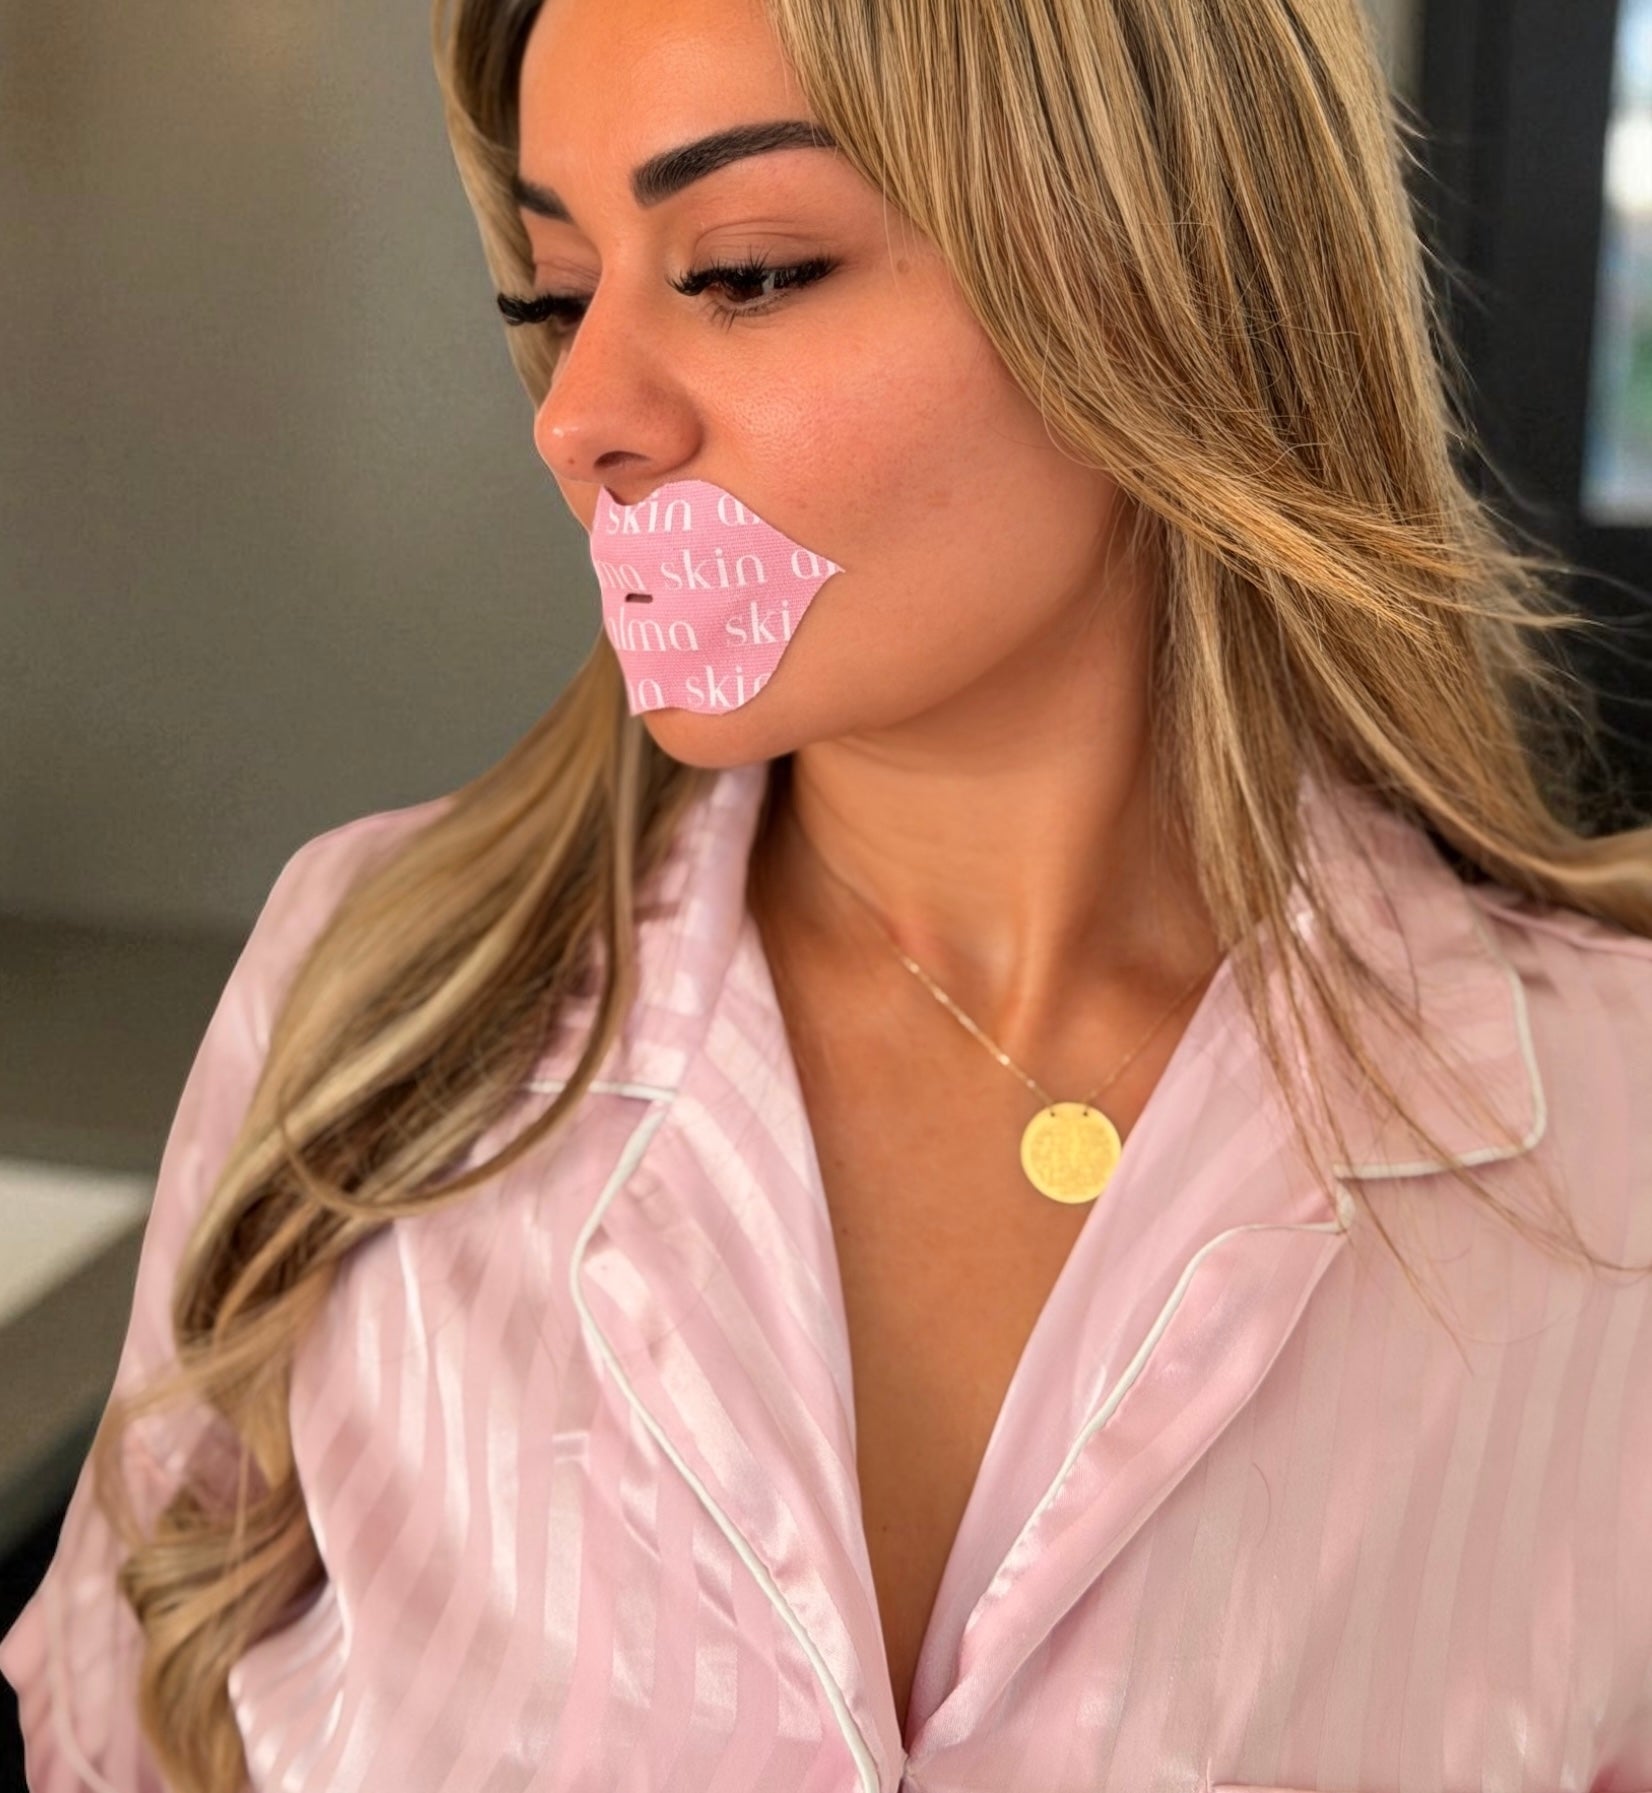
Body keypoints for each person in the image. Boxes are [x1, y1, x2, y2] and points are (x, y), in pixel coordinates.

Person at [6, 0, 1652, 1786]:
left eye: (748, 271)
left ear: (1171, 275)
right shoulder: (371, 995)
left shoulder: (1613, 1133)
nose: (582, 418)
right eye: (554, 298)